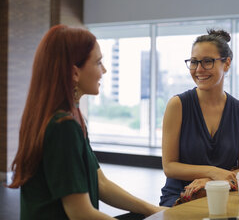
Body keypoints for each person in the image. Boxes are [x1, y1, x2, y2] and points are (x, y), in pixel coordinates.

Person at [9, 25, 165, 220]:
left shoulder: (66, 117)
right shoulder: (63, 126)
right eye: (98, 62)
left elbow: (101, 184)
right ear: (75, 73)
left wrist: (154, 210)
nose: (105, 70)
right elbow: (80, 213)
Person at [159, 29, 239, 207]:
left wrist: (212, 182)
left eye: (208, 62)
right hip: (179, 199)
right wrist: (213, 172)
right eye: (194, 62)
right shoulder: (177, 105)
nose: (199, 69)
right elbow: (169, 166)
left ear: (226, 64)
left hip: (224, 197)